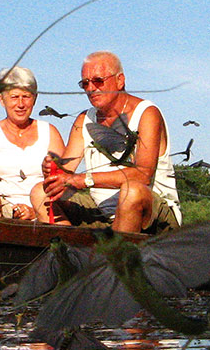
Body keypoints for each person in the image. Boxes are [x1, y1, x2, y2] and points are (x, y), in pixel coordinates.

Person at [38, 51, 182, 234]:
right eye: (85, 83)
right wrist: (52, 170)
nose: (91, 88)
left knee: (132, 191)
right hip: (100, 211)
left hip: (151, 213)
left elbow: (143, 175)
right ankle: (69, 249)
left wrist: (84, 180)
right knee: (40, 193)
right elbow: (66, 173)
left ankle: (116, 252)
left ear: (120, 80)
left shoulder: (147, 114)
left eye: (98, 81)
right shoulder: (83, 120)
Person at [0, 67, 65, 221]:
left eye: (26, 97)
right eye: (14, 97)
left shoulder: (50, 132)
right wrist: (0, 213)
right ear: (1, 99)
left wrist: (35, 211)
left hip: (46, 208)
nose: (20, 104)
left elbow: (61, 179)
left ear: (35, 98)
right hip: (4, 210)